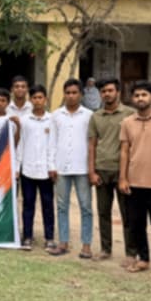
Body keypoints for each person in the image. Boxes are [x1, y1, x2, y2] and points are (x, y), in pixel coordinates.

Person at [118, 80, 151, 279]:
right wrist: (122, 178)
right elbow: (124, 151)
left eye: (144, 95)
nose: (140, 98)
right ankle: (143, 259)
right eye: (137, 95)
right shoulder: (127, 122)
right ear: (132, 99)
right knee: (136, 224)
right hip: (134, 183)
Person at [88, 77, 135, 263]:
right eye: (103, 91)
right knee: (103, 212)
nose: (107, 94)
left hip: (123, 171)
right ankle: (105, 249)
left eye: (110, 90)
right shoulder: (96, 116)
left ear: (118, 92)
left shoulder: (129, 114)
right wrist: (91, 172)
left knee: (128, 214)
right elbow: (91, 145)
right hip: (102, 170)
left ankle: (131, 253)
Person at [47, 78, 93, 258]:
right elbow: (51, 142)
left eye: (75, 93)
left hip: (82, 168)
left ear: (81, 94)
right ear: (64, 94)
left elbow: (92, 143)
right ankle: (63, 242)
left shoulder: (89, 115)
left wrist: (91, 168)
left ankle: (87, 245)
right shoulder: (56, 115)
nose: (71, 96)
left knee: (86, 207)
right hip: (61, 167)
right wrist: (51, 165)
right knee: (61, 206)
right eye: (68, 93)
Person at [18, 85, 54, 250]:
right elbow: (21, 144)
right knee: (28, 204)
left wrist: (53, 167)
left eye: (40, 97)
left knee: (48, 204)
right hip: (28, 170)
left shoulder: (52, 120)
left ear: (45, 99)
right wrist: (18, 167)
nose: (38, 101)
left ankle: (49, 238)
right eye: (34, 98)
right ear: (30, 100)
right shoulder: (25, 120)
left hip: (46, 171)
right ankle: (27, 237)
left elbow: (53, 146)